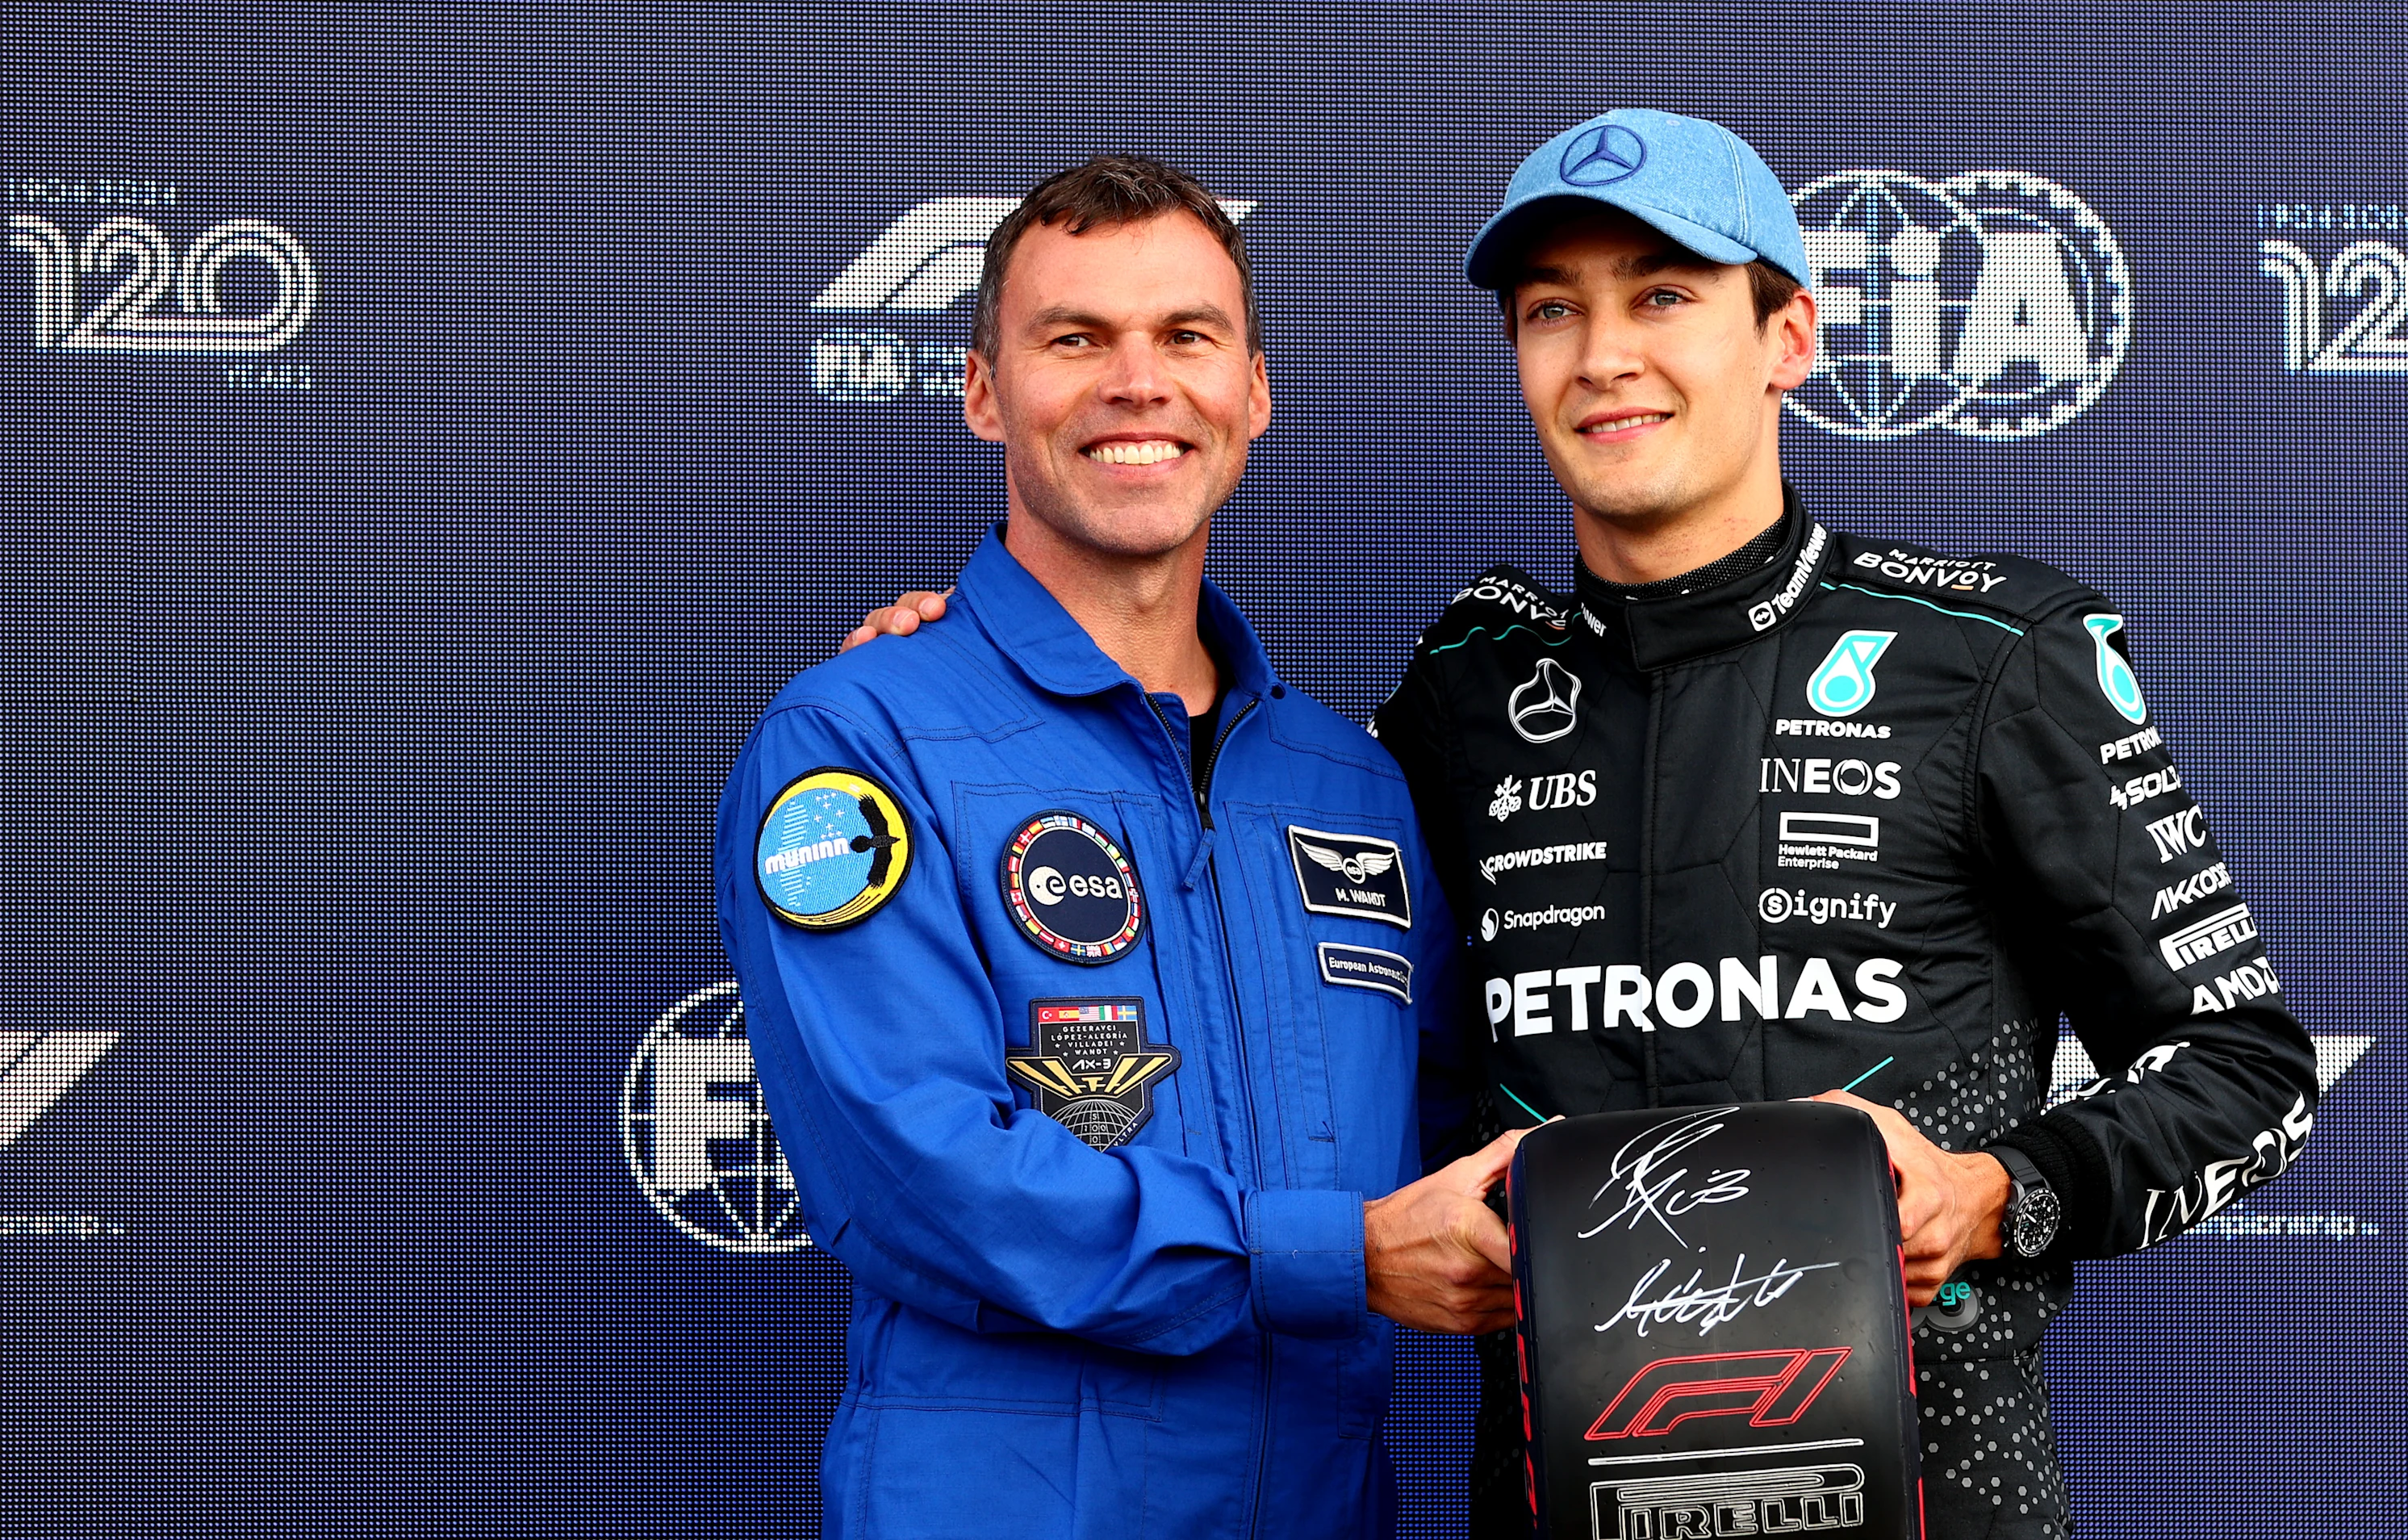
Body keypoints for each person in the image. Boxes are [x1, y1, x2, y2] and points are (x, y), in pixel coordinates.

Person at [845, 115, 2323, 1540]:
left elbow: (2250, 1069)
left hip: (1926, 1501)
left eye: (1665, 296)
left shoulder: (1990, 654)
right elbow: (1282, 986)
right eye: (1555, 309)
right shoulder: (1456, 698)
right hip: (1556, 1504)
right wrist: (971, 674)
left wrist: (1998, 1194)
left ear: (1789, 339)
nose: (1607, 354)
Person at [720, 154, 1520, 1540]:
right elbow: (917, 1174)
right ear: (982, 391)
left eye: (1186, 337)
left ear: (1252, 395)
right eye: (1075, 338)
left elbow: (1473, 1122)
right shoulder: (861, 744)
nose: (1137, 383)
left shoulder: (1353, 787)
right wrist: (1335, 1258)